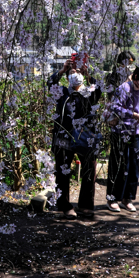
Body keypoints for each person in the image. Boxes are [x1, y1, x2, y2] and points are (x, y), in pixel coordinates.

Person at [48, 56, 102, 218]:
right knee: (62, 171)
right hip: (64, 137)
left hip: (86, 137)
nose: (75, 74)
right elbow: (50, 84)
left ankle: (86, 205)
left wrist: (88, 75)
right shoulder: (62, 93)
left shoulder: (89, 92)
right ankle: (64, 206)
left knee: (89, 170)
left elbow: (100, 88)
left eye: (78, 71)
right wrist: (62, 70)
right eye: (72, 72)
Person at [106, 64, 139, 212]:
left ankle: (128, 198)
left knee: (133, 166)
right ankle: (112, 198)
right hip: (120, 131)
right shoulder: (124, 89)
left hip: (134, 132)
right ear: (136, 78)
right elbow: (115, 107)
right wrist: (133, 115)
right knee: (118, 165)